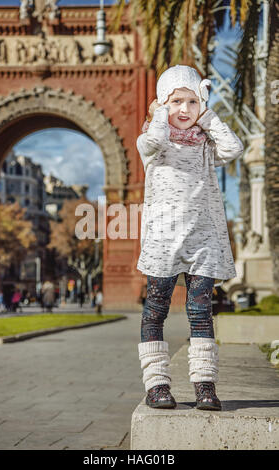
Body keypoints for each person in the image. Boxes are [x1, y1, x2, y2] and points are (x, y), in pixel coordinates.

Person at [136, 65, 244, 411]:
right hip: (163, 242)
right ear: (162, 104)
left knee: (201, 312)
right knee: (156, 311)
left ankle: (205, 386)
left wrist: (208, 116)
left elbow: (234, 148)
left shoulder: (205, 146)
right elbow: (153, 140)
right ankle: (157, 386)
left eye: (192, 101)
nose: (185, 109)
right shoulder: (152, 141)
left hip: (203, 241)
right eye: (176, 101)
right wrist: (159, 115)